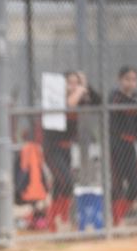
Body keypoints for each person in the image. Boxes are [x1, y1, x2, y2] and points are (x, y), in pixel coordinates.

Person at [43, 70, 100, 232]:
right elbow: (69, 105)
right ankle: (59, 218)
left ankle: (55, 222)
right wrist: (79, 90)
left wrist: (86, 85)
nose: (73, 86)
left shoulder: (80, 96)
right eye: (70, 82)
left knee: (61, 186)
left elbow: (98, 102)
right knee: (67, 182)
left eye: (76, 82)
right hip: (52, 148)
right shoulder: (55, 98)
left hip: (66, 148)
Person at [108, 66, 137, 226]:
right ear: (120, 80)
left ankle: (119, 215)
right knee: (117, 183)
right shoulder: (115, 96)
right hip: (116, 143)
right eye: (127, 79)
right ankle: (115, 220)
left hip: (131, 145)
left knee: (135, 185)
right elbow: (127, 108)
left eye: (133, 79)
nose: (131, 83)